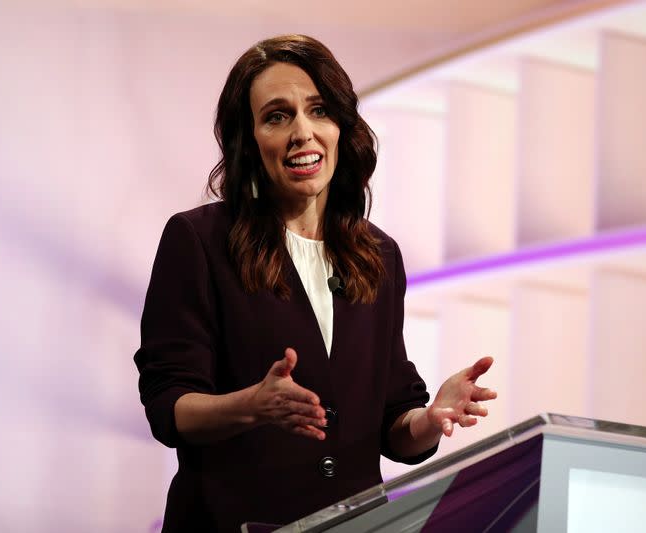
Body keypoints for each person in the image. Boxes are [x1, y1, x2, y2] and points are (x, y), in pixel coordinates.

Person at [134, 34, 497, 532]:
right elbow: (169, 407)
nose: (302, 132)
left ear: (340, 128)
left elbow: (394, 422)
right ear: (250, 139)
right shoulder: (197, 240)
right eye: (277, 116)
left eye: (318, 110)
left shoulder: (379, 254)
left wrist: (429, 420)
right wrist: (252, 405)